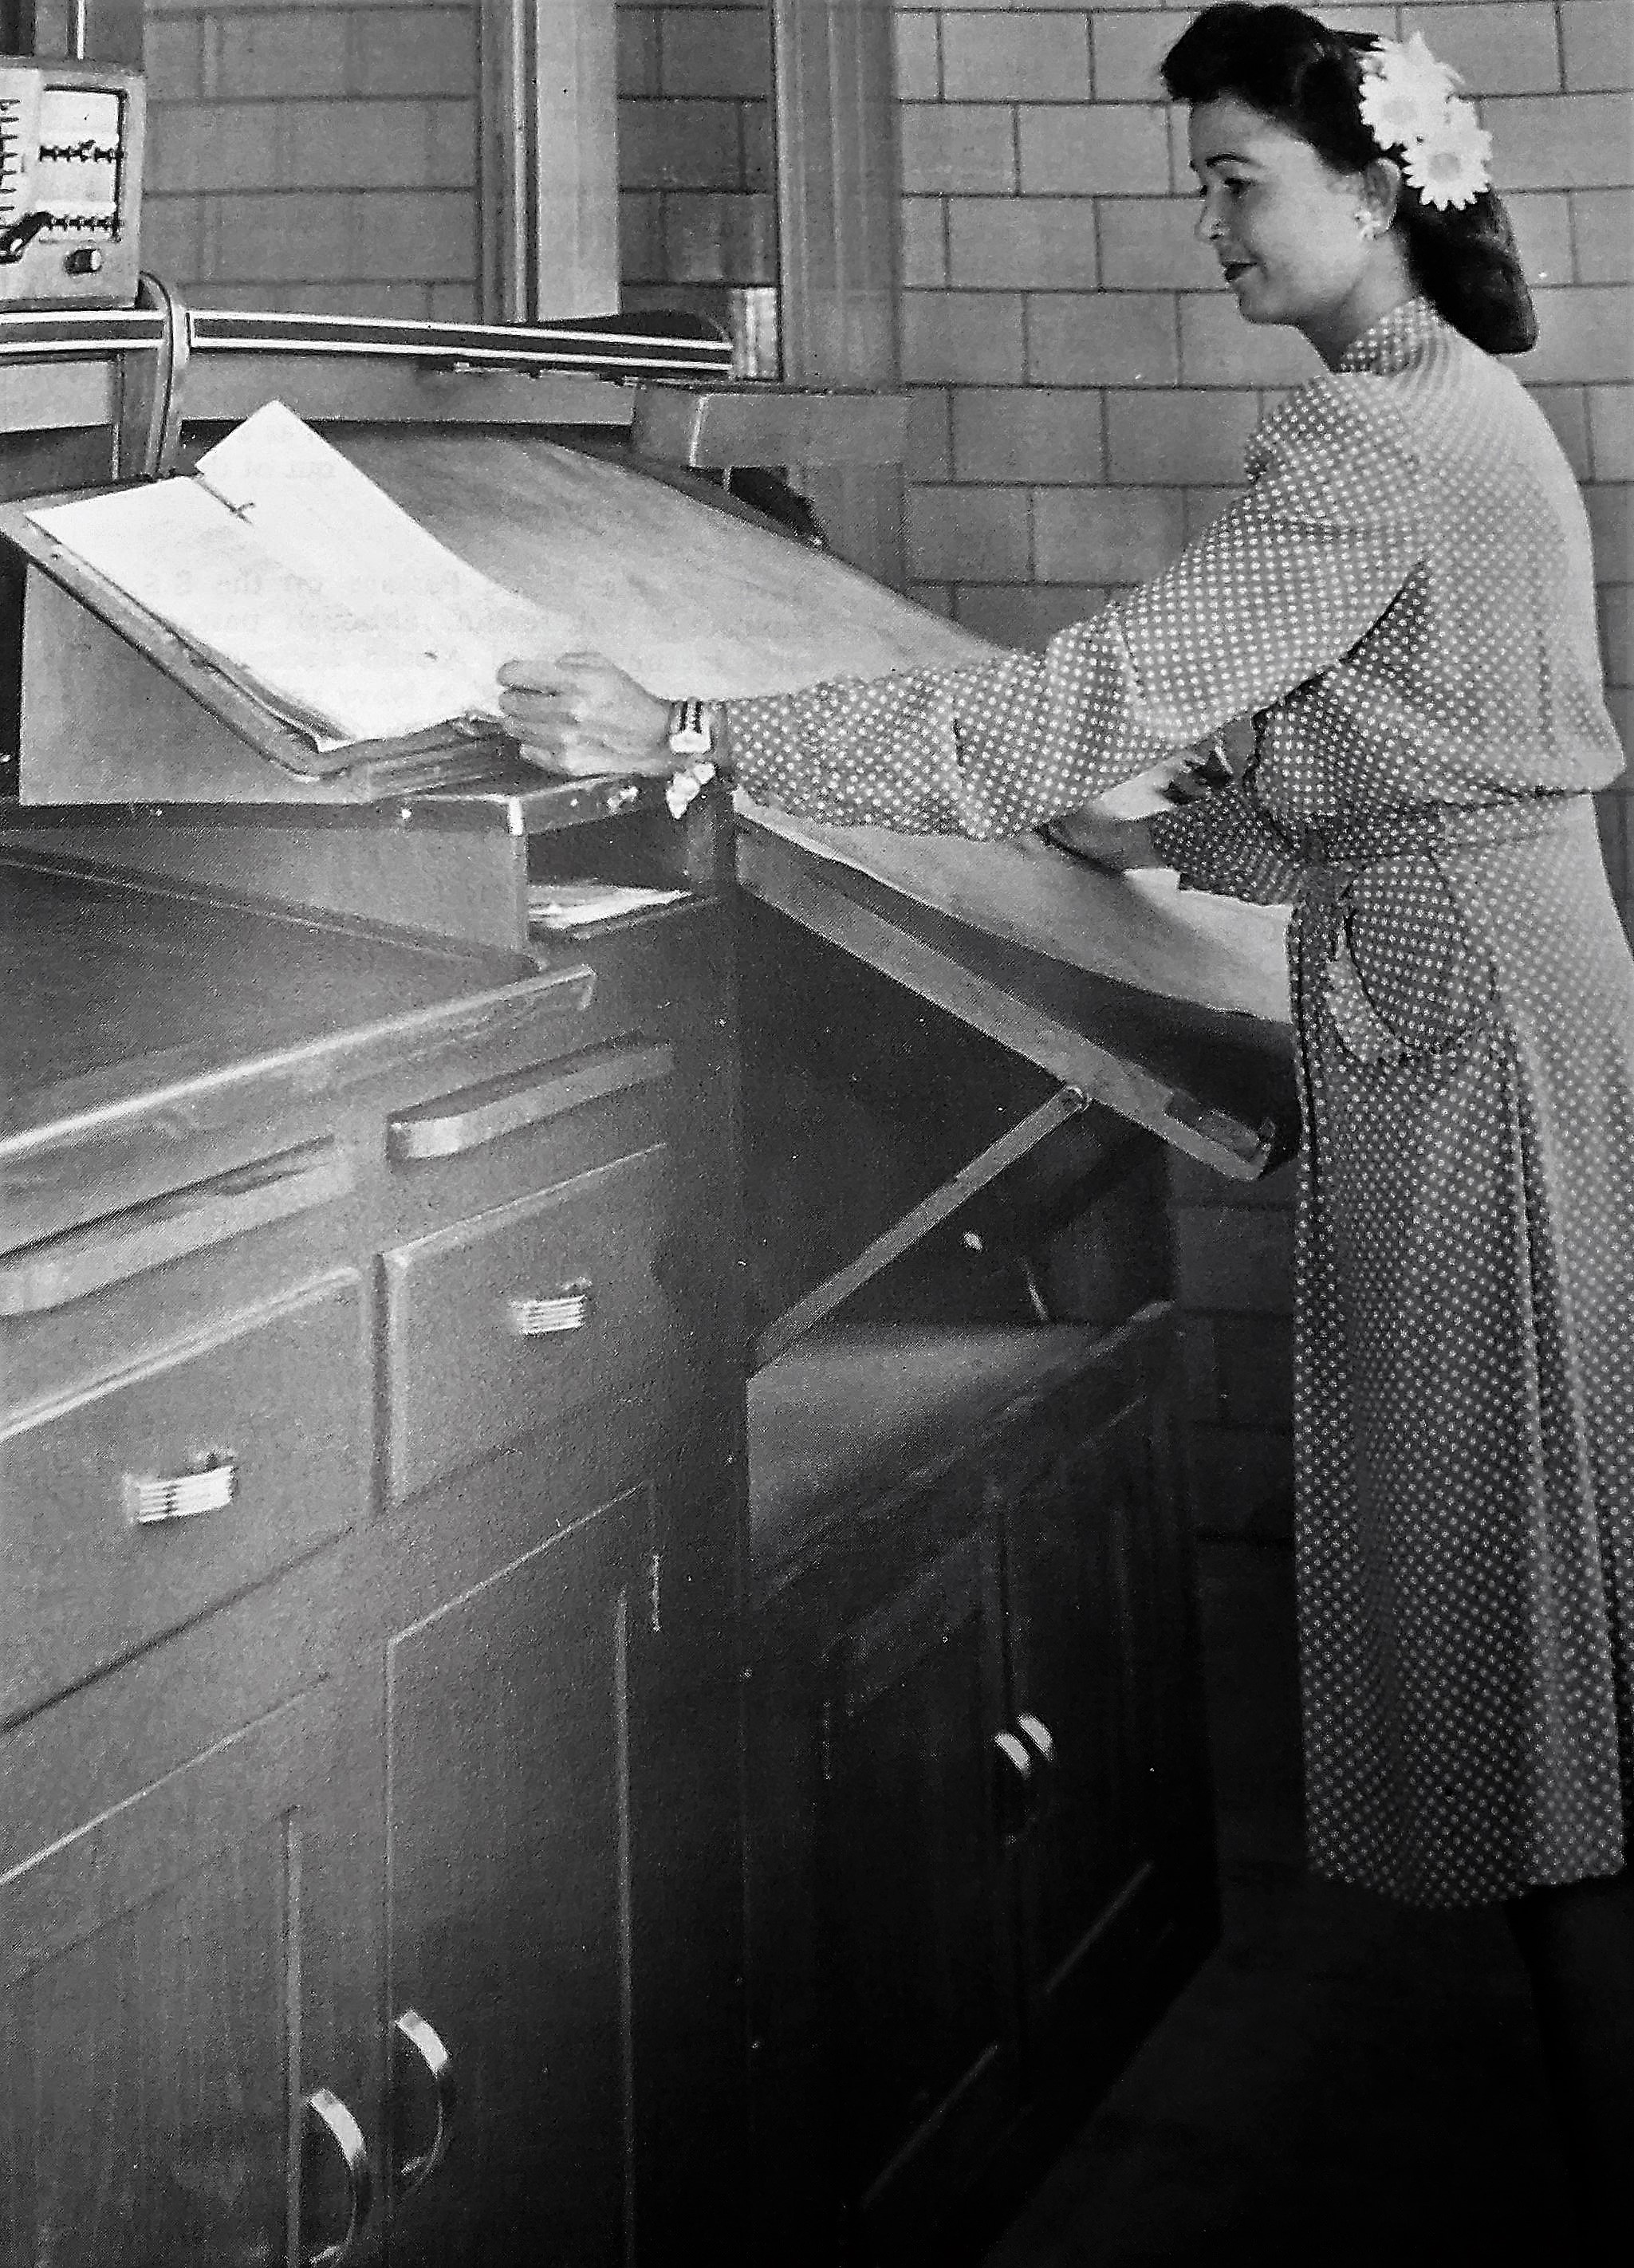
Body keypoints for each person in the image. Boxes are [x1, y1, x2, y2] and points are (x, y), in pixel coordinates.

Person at [498, 3, 1632, 2244]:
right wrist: (1185, 840)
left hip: (1471, 1036)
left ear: (1375, 183)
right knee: (1551, 1648)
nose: (1204, 223)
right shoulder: (1440, 413)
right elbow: (1408, 748)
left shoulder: (1378, 441)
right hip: (1500, 994)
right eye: (1198, 179)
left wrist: (694, 721)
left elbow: (1077, 698)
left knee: (1540, 1682)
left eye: (1235, 181)